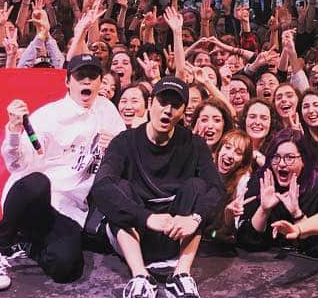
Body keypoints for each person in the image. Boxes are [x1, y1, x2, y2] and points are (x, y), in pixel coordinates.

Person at [0, 53, 127, 290]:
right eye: (80, 77)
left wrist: (116, 147)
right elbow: (17, 166)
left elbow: (123, 154)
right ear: (68, 82)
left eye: (93, 77)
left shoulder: (107, 111)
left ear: (101, 82)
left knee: (67, 269)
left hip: (70, 209)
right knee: (38, 182)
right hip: (33, 199)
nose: (87, 82)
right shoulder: (50, 115)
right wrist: (13, 131)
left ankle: (27, 244)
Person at [89, 76, 224, 298]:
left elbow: (217, 188)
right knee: (118, 187)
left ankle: (181, 275)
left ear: (183, 111)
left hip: (175, 233)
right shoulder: (124, 141)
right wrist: (145, 217)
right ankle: (140, 276)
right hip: (134, 234)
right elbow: (101, 186)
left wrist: (195, 218)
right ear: (150, 103)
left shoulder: (193, 143)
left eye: (176, 105)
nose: (168, 110)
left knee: (198, 186)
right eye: (163, 102)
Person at [236, 129, 318, 256]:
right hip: (263, 263)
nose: (281, 164)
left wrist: (297, 214)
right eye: (276, 157)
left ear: (304, 160)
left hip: (310, 267)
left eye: (290, 158)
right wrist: (263, 210)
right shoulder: (262, 179)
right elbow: (243, 242)